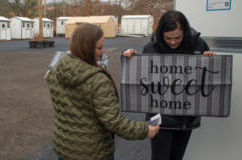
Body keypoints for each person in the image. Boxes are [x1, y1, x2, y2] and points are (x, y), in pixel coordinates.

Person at [46, 23, 160, 160]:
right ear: (86, 49)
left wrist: (127, 60)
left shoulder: (55, 71)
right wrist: (144, 130)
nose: (104, 51)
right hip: (93, 152)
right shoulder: (98, 81)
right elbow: (113, 122)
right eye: (99, 48)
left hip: (64, 148)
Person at [122, 10, 214, 160]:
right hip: (158, 116)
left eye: (177, 37)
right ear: (161, 34)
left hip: (186, 117)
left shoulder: (199, 45)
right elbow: (141, 79)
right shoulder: (151, 48)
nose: (172, 42)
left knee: (177, 157)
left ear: (185, 31)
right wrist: (131, 59)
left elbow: (208, 80)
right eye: (168, 38)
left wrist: (209, 61)